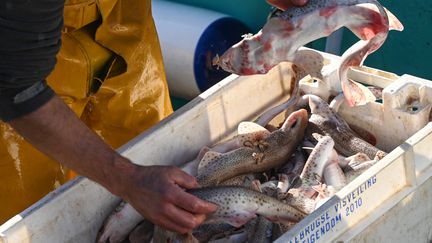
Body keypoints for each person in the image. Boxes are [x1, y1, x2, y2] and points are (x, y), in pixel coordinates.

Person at [0, 0, 308, 234]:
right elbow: (15, 87)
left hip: (122, 13)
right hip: (14, 50)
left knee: (163, 163)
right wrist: (128, 180)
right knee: (33, 217)